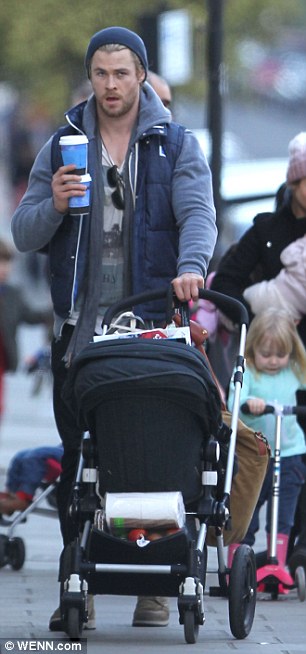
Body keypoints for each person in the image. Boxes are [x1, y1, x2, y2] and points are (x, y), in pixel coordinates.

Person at [11, 26, 217, 631]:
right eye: (100, 74)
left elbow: (198, 214)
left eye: (121, 73)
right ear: (91, 77)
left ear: (141, 76)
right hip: (80, 332)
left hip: (151, 326)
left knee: (152, 462)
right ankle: (80, 586)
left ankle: (157, 588)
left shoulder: (174, 143)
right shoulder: (63, 143)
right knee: (81, 463)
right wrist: (51, 201)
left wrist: (190, 269)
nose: (110, 85)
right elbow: (24, 232)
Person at [227, 309, 306, 568]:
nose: (273, 361)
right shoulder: (248, 371)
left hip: (290, 452)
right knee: (246, 509)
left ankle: (277, 563)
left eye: (280, 355)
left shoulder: (293, 370)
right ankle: (239, 565)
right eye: (266, 354)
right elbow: (233, 401)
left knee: (284, 513)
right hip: (255, 455)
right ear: (253, 348)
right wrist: (250, 402)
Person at [0, 238, 51, 420]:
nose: (5, 268)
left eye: (7, 263)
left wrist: (53, 312)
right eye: (1, 263)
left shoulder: (12, 295)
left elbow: (31, 316)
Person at [243, 234, 306, 321]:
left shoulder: (300, 266)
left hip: (267, 297)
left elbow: (286, 256)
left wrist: (303, 241)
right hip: (289, 317)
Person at [0, 444, 63, 515]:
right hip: (39, 460)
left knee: (12, 493)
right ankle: (12, 501)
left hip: (26, 456)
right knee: (22, 502)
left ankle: (11, 498)